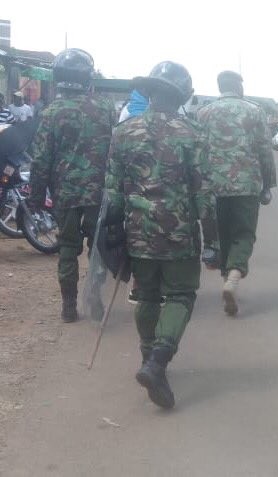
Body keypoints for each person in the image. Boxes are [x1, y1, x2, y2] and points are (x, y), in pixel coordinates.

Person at [105, 61, 217, 409]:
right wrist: (212, 241)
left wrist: (111, 241)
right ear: (181, 95)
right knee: (181, 296)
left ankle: (147, 360)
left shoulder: (122, 133)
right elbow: (204, 195)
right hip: (179, 234)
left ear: (150, 92)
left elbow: (111, 194)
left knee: (147, 297)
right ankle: (157, 363)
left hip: (137, 233)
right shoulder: (192, 134)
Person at [27, 49, 116, 323]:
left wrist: (36, 197)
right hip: (98, 194)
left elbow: (41, 159)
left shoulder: (51, 112)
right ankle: (93, 295)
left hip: (65, 195)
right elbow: (116, 150)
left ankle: (68, 305)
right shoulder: (105, 108)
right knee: (98, 248)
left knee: (67, 248)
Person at [197, 70, 277, 316]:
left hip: (213, 186)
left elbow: (197, 150)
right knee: (243, 234)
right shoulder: (254, 111)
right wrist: (268, 185)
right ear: (239, 87)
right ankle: (233, 275)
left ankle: (227, 280)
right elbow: (265, 150)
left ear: (219, 87)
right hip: (246, 186)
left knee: (222, 236)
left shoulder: (203, 113)